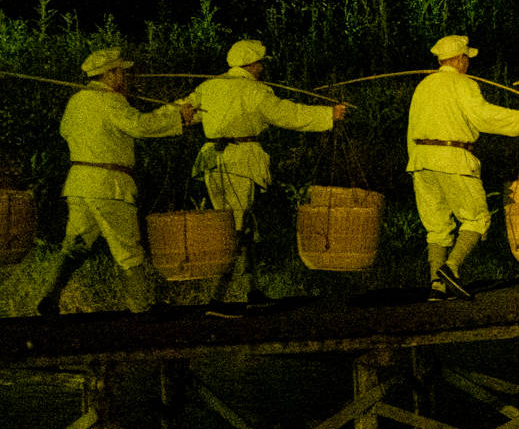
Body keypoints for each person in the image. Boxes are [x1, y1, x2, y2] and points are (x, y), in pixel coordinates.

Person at [179, 39, 345, 315]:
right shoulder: (256, 91)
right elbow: (287, 114)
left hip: (212, 160)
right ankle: (219, 299)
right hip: (240, 161)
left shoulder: (208, 87)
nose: (263, 68)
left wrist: (179, 112)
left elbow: (184, 112)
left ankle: (251, 289)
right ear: (253, 65)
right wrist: (329, 114)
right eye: (261, 63)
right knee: (235, 227)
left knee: (238, 222)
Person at [36, 47, 198, 316]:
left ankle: (49, 297)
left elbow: (66, 131)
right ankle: (141, 307)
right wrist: (177, 116)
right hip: (108, 185)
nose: (125, 76)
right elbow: (140, 126)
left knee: (75, 245)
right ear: (109, 74)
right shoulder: (111, 102)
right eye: (121, 71)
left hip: (78, 183)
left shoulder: (76, 101)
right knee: (127, 247)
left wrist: (173, 112)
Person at [406, 34, 519, 301]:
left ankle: (437, 286)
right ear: (458, 59)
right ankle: (451, 268)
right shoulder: (463, 84)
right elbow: (484, 117)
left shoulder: (423, 86)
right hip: (453, 159)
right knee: (477, 218)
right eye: (466, 57)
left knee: (436, 226)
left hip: (421, 161)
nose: (468, 62)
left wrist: (414, 164)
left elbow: (411, 128)